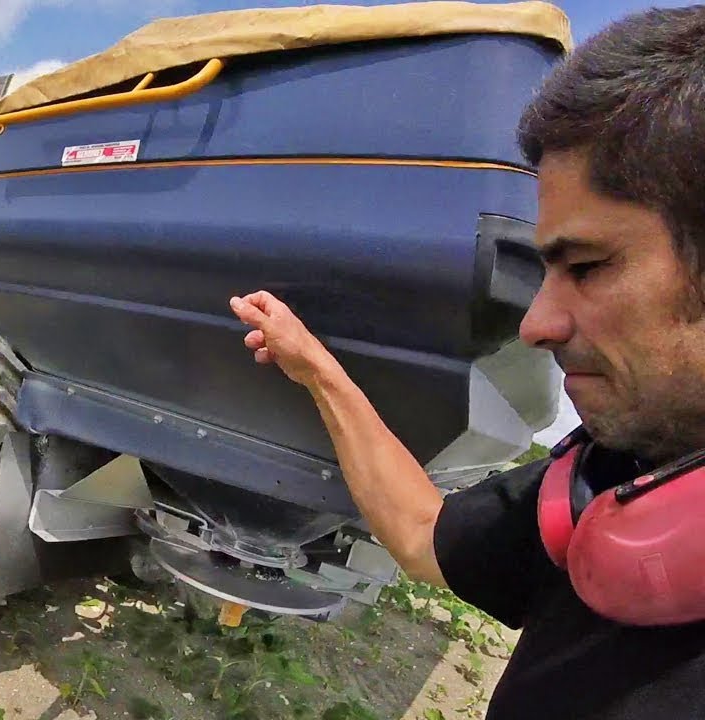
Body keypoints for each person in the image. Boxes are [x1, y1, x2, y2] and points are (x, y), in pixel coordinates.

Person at [229, 7, 705, 720]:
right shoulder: (612, 478)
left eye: (589, 264)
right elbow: (425, 536)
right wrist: (317, 371)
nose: (536, 325)